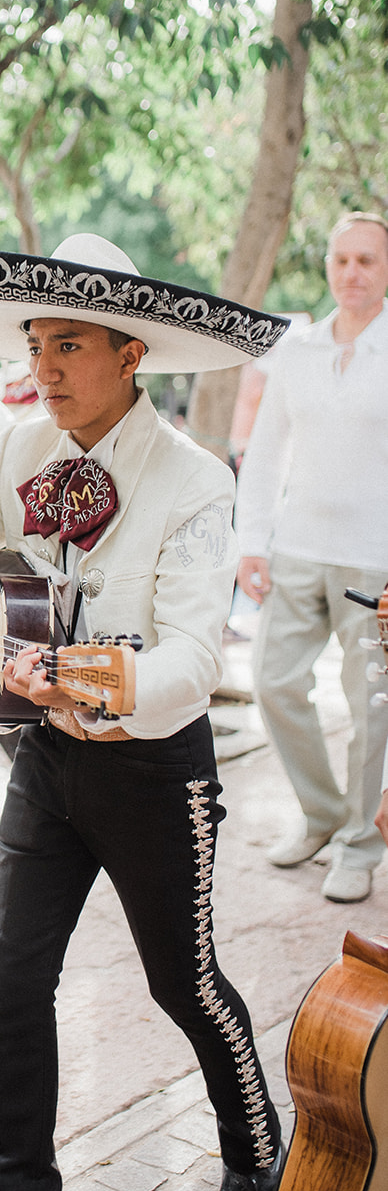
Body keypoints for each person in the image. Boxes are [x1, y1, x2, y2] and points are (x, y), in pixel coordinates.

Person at [0, 234, 288, 1191]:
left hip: (156, 773)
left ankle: (258, 1156)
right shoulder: (16, 449)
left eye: (69, 345)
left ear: (129, 352)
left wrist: (84, 676)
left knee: (183, 982)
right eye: (36, 345)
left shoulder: (197, 479)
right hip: (43, 763)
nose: (45, 365)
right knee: (13, 984)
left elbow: (196, 661)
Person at [234, 212, 388, 904]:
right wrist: (252, 543)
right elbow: (266, 453)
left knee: (371, 708)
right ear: (326, 264)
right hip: (297, 550)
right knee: (273, 683)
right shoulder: (296, 349)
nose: (352, 273)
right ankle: (323, 814)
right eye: (342, 260)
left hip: (374, 561)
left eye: (368, 261)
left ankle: (360, 843)